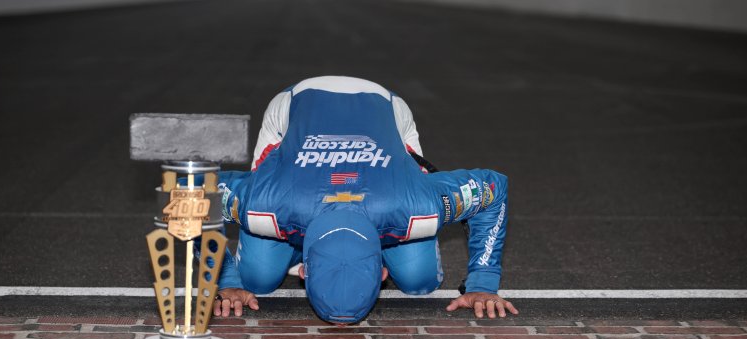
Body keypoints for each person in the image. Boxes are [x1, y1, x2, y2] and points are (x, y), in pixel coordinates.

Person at [209, 76, 518, 323]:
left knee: (419, 282)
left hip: (382, 127)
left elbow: (494, 189)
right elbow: (191, 195)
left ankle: (314, 250)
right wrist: (227, 279)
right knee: (256, 279)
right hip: (298, 116)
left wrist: (482, 284)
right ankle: (309, 250)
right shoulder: (267, 204)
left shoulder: (416, 208)